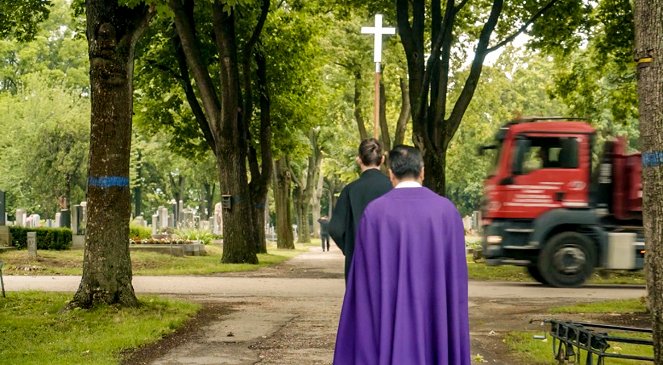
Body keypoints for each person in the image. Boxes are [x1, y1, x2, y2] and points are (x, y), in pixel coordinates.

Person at [333, 145, 471, 365]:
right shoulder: (446, 212)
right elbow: (455, 278)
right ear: (422, 171)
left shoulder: (375, 213)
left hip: (389, 315)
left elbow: (365, 281)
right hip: (432, 313)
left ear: (391, 174)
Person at [329, 138, 392, 279]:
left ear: (359, 160)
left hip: (357, 261)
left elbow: (335, 229)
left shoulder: (350, 190)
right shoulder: (392, 189)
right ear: (382, 159)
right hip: (389, 261)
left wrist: (349, 247)